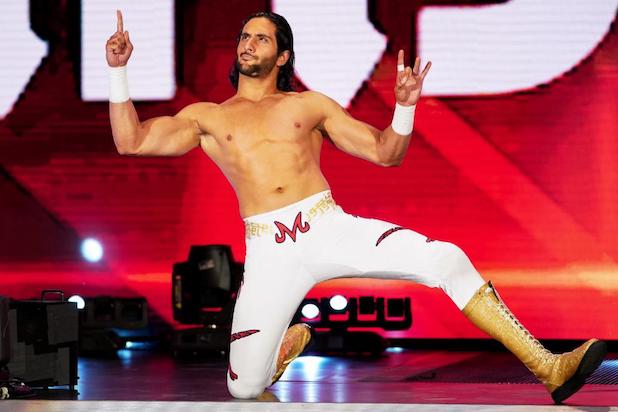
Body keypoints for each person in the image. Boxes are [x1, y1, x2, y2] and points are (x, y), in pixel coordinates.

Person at [106, 10, 606, 404]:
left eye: (261, 38)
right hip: (269, 251)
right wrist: (118, 72)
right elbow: (132, 142)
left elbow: (387, 153)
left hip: (328, 228)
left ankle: (549, 366)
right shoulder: (207, 117)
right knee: (244, 388)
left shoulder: (308, 106)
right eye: (244, 37)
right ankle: (285, 345)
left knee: (447, 258)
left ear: (283, 56)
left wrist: (404, 106)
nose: (248, 44)